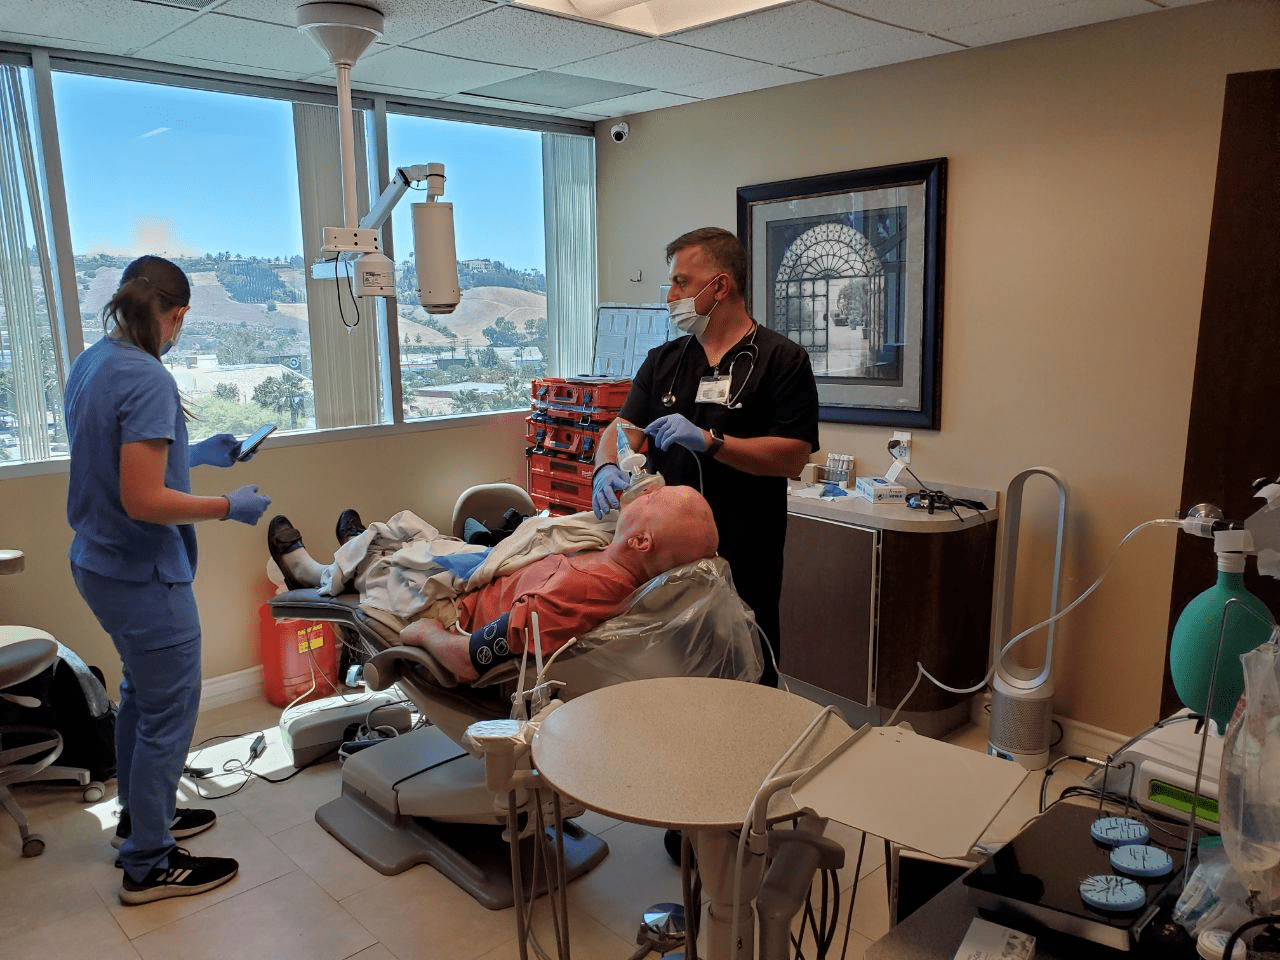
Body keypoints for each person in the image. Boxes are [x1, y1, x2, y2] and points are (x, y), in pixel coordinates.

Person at [64, 255, 272, 906]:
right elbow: (143, 498)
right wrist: (226, 506)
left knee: (141, 698)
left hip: (98, 561)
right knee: (169, 714)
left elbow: (117, 452)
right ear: (176, 315)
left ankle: (138, 821)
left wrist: (199, 451)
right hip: (141, 569)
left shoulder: (94, 360)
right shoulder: (148, 377)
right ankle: (149, 864)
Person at [592, 227, 819, 688]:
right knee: (667, 672)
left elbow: (792, 456)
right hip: (665, 555)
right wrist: (606, 466)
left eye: (681, 282)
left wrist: (712, 442)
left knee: (745, 673)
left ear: (720, 286)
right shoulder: (664, 360)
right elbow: (623, 430)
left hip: (744, 551)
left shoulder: (783, 360)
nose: (670, 295)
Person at [269, 484, 719, 685]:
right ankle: (358, 548)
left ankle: (315, 573)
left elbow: (468, 661)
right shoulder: (615, 564)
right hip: (490, 569)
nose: (642, 493)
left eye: (652, 499)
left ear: (640, 540)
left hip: (455, 607)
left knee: (394, 560)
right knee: (413, 530)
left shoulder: (580, 594)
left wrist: (426, 633)